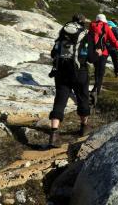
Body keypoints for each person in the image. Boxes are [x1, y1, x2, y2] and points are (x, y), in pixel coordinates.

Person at [49, 14, 93, 147]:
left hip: (61, 71)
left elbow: (53, 53)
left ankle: (54, 133)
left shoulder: (63, 31)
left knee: (60, 100)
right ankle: (84, 127)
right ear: (83, 22)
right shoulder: (85, 34)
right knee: (83, 98)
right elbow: (91, 57)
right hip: (80, 72)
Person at [89, 14, 118, 103]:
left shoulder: (91, 26)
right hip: (103, 52)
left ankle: (95, 87)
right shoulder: (106, 27)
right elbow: (112, 39)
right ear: (104, 20)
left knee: (96, 70)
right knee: (101, 72)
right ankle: (96, 91)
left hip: (94, 52)